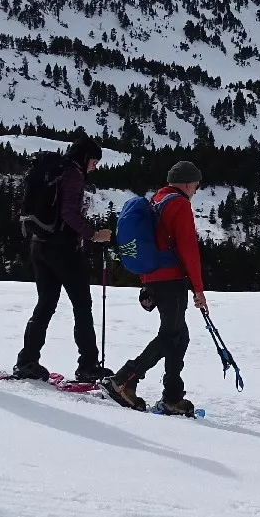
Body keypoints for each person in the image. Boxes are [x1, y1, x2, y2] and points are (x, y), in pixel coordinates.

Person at [103, 162, 207, 416]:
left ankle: (172, 396)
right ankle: (124, 380)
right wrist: (198, 288)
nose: (195, 190)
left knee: (179, 336)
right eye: (195, 185)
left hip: (154, 276)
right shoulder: (179, 204)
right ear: (186, 183)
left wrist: (147, 282)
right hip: (170, 278)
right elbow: (188, 248)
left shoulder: (157, 200)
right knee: (171, 336)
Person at [11, 136, 114, 382]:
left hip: (40, 245)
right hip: (63, 250)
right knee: (82, 305)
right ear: (86, 158)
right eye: (94, 162)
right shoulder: (73, 175)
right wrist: (94, 234)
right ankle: (88, 365)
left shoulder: (55, 172)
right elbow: (68, 213)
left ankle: (27, 361)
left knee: (45, 304)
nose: (95, 167)